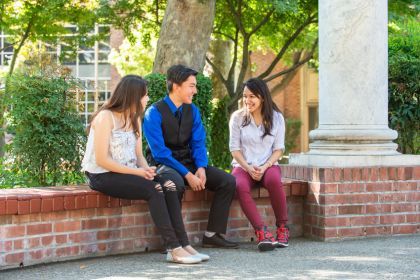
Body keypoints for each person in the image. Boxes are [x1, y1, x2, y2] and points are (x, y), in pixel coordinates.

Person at [81, 75, 208, 264]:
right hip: (102, 175)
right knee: (154, 189)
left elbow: (139, 155)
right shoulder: (105, 117)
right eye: (144, 95)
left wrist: (147, 170)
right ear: (133, 96)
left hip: (128, 172)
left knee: (170, 184)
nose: (147, 99)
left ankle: (184, 244)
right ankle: (173, 248)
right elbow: (102, 160)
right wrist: (138, 173)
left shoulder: (135, 119)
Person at [143, 65, 238, 249]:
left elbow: (198, 142)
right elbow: (160, 153)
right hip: (163, 164)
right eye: (191, 86)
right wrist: (188, 174)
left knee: (227, 181)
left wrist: (201, 167)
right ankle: (172, 242)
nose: (195, 90)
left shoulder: (192, 110)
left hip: (188, 161)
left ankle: (212, 235)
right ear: (176, 86)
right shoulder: (153, 113)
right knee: (175, 184)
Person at [229, 78, 289, 252]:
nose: (248, 101)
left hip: (268, 165)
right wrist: (248, 168)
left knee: (274, 181)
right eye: (245, 96)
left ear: (262, 97)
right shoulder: (238, 118)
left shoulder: (277, 118)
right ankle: (262, 232)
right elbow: (235, 149)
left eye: (252, 96)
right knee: (239, 185)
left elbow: (279, 149)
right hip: (243, 167)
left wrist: (265, 166)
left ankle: (283, 228)